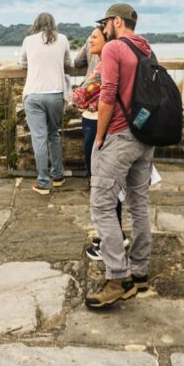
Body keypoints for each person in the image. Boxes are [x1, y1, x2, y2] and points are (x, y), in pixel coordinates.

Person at [85, 3, 154, 308]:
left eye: (105, 24)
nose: (104, 29)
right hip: (144, 136)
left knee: (101, 204)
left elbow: (108, 94)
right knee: (138, 203)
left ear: (116, 21)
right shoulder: (146, 49)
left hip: (119, 135)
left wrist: (100, 136)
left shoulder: (114, 48)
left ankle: (118, 278)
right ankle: (139, 271)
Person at [72, 25, 126, 260]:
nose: (89, 41)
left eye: (94, 37)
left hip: (96, 124)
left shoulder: (105, 65)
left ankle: (110, 242)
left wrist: (80, 95)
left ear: (107, 40)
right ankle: (114, 234)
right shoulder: (109, 62)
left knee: (102, 184)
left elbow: (79, 96)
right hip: (96, 122)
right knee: (107, 183)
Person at [20, 12, 72, 194]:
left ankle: (43, 182)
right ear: (53, 24)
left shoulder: (28, 41)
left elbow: (22, 62)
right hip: (56, 93)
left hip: (34, 94)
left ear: (36, 24)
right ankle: (57, 175)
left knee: (39, 138)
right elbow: (68, 62)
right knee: (54, 134)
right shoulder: (63, 39)